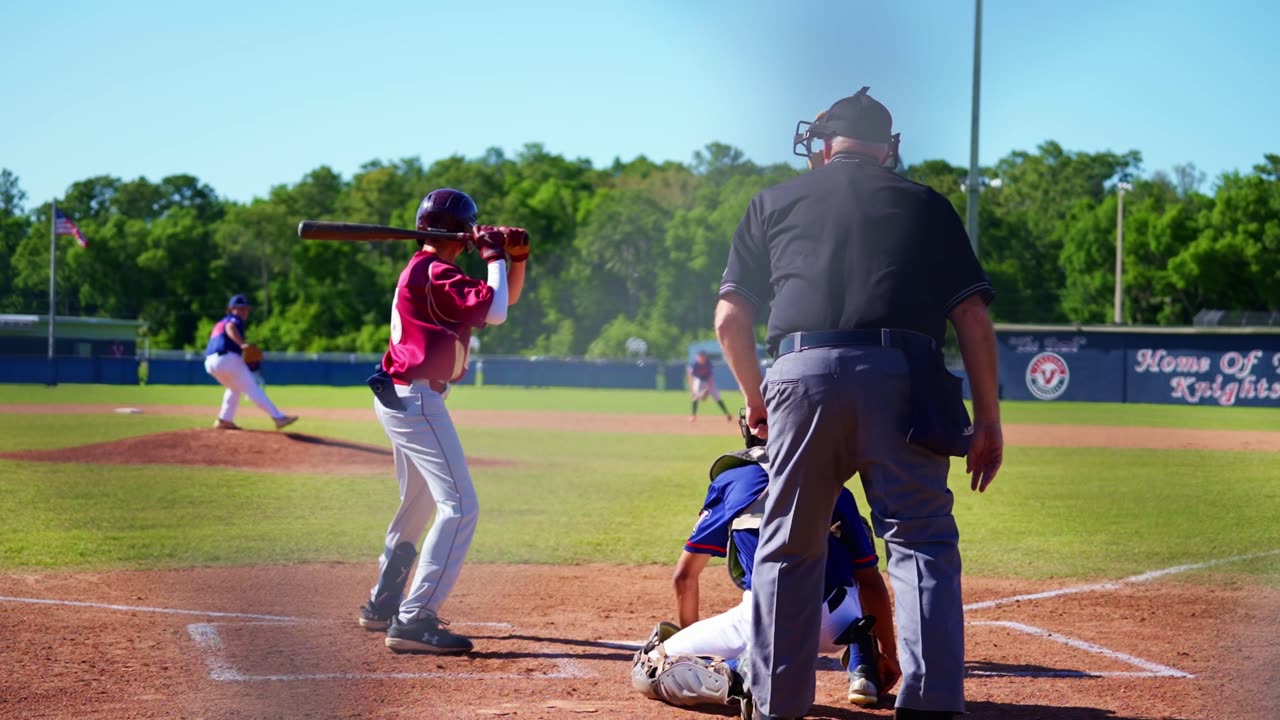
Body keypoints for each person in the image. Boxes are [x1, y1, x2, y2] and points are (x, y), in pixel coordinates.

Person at [714, 88, 1003, 720]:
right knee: (920, 540)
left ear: (823, 146)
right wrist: (989, 420)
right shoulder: (925, 205)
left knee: (789, 546)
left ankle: (775, 706)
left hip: (799, 374)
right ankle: (930, 707)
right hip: (904, 375)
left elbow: (730, 318)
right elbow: (973, 319)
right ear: (887, 148)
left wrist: (756, 398)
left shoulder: (773, 201)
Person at [630, 413, 901, 714]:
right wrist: (888, 653)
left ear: (753, 429)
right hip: (841, 622)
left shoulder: (733, 480)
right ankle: (863, 653)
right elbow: (871, 581)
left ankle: (742, 672)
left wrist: (700, 656)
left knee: (650, 666)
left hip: (764, 623)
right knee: (851, 544)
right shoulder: (831, 483)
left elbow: (684, 578)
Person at [356, 188, 528, 655]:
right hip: (417, 401)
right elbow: (494, 314)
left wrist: (515, 258)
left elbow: (500, 302)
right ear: (461, 230)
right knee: (460, 506)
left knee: (418, 503)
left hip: (403, 396)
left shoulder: (432, 270)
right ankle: (414, 619)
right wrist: (493, 253)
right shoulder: (436, 271)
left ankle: (383, 603)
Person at [202, 294, 298, 431]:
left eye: (246, 309)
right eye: (240, 308)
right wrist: (242, 344)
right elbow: (230, 328)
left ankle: (224, 419)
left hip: (211, 362)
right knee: (252, 387)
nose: (244, 311)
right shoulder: (234, 320)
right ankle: (278, 417)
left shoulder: (220, 322)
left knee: (234, 388)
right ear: (231, 309)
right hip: (226, 358)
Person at [688, 349, 732, 423]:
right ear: (697, 357)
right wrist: (692, 390)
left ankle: (727, 414)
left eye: (702, 356)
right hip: (699, 381)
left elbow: (710, 378)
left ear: (705, 357)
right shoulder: (695, 365)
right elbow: (691, 376)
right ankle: (693, 416)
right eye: (699, 356)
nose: (701, 358)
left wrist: (707, 390)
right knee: (694, 397)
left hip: (708, 381)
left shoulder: (708, 364)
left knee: (717, 397)